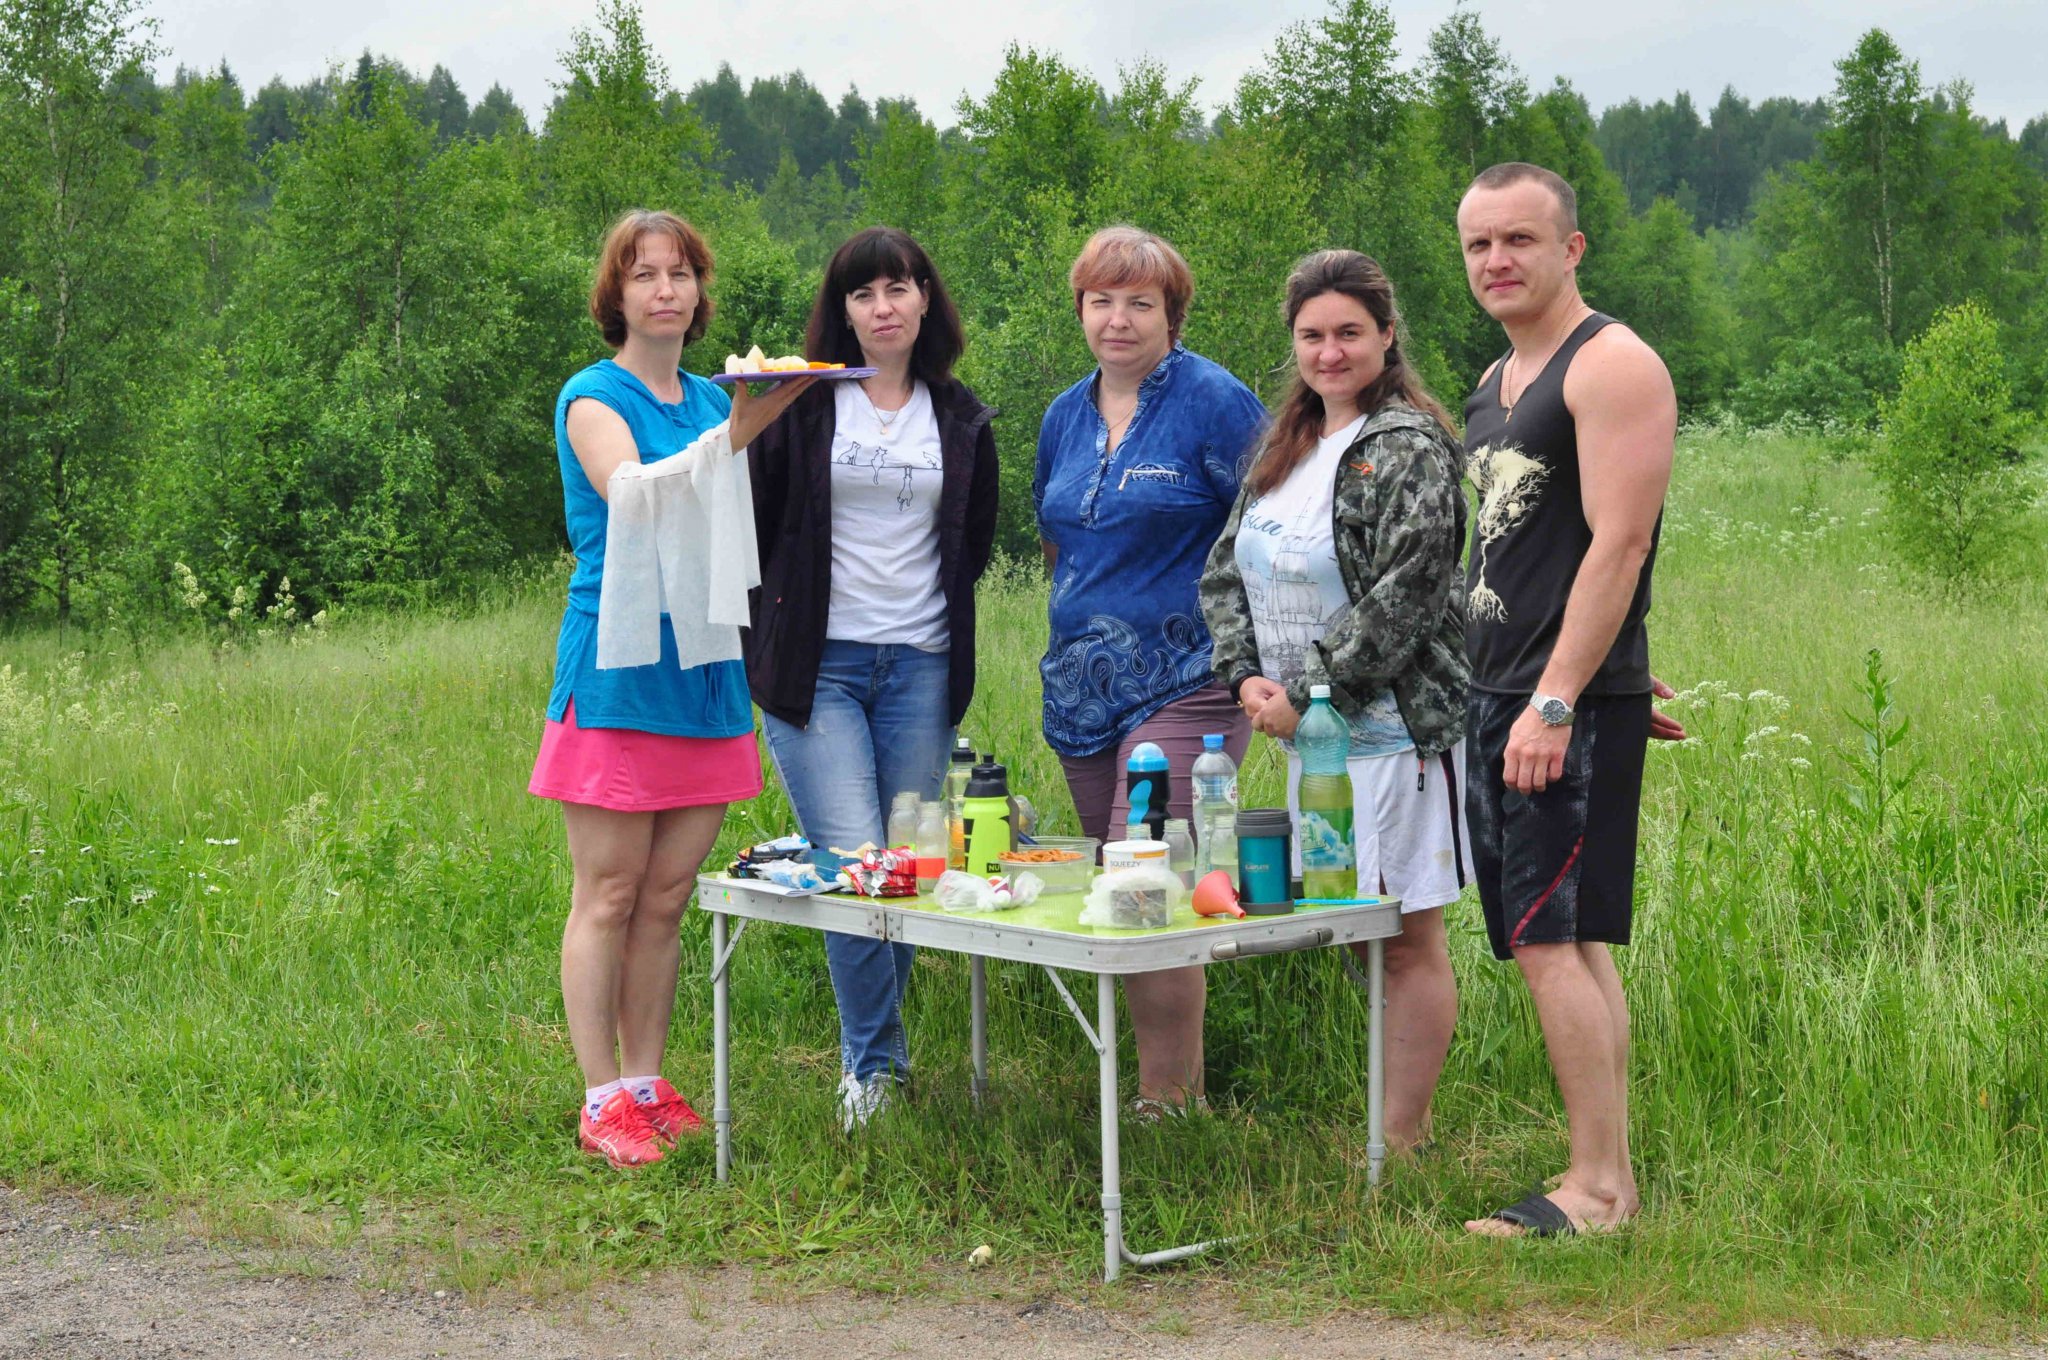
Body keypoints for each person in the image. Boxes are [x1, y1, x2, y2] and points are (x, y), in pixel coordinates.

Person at [530, 209, 815, 1168]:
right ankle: (599, 1095)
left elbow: (735, 506)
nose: (665, 290)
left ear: (699, 291)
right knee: (606, 892)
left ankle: (650, 1080)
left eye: (681, 273)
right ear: (615, 295)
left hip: (704, 665)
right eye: (644, 274)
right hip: (617, 671)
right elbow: (634, 490)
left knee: (667, 895)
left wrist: (757, 412)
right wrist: (743, 427)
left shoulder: (710, 396)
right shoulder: (592, 395)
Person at [1199, 249, 1473, 1153]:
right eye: (1313, 335)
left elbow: (1409, 590)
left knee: (1401, 933)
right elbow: (1224, 572)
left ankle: (1404, 1138)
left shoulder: (1408, 449)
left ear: (1387, 336)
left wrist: (1310, 687)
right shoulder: (1290, 447)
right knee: (1353, 930)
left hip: (1391, 729)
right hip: (1305, 734)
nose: (1330, 352)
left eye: (1349, 332)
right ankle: (1386, 1121)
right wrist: (1246, 677)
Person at [1454, 163, 1681, 1236]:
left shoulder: (1612, 364)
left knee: (1552, 939)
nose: (1495, 261)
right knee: (1564, 936)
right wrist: (1599, 675)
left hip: (1548, 703)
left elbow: (1621, 540)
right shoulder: (1494, 382)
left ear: (1570, 248)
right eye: (1476, 245)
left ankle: (1597, 1190)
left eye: (1517, 240)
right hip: (1510, 688)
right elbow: (1534, 549)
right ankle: (1603, 1172)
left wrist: (1564, 696)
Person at [746, 227, 998, 1132]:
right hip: (820, 669)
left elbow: (968, 548)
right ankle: (875, 1070)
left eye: (898, 289)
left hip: (921, 667)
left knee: (906, 871)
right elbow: (754, 523)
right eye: (862, 295)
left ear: (925, 299)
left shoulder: (960, 415)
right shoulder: (803, 403)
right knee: (856, 866)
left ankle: (879, 1058)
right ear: (841, 311)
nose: (882, 308)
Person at [1035, 225, 1265, 1116]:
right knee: (1120, 888)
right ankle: (1156, 1087)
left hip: (1192, 676)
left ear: (1172, 313)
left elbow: (1267, 524)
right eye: (1102, 301)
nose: (1118, 320)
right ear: (1081, 310)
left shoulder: (1215, 402)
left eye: (1140, 303)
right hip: (1081, 692)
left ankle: (1170, 1103)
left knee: (1151, 875)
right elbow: (1060, 539)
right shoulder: (1064, 413)